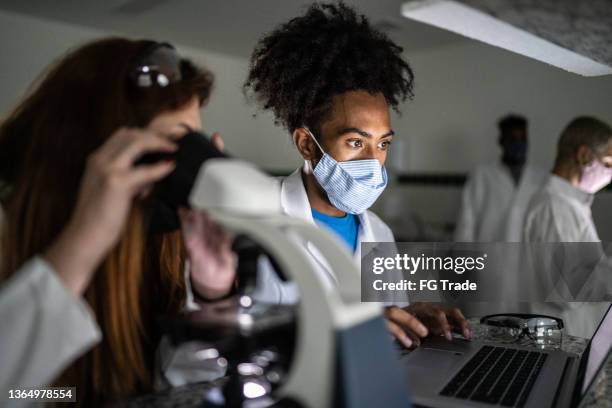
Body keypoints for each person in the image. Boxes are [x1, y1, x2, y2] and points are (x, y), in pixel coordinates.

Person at [0, 38, 236, 405]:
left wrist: (210, 296)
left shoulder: (164, 242)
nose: (361, 164)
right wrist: (82, 245)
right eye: (354, 142)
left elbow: (168, 392)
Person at [244, 2, 470, 348]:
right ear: (307, 144)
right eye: (355, 142)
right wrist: (348, 329)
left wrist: (412, 316)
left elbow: (389, 324)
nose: (373, 161)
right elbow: (228, 335)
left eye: (382, 144)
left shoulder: (378, 233)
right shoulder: (253, 219)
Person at [523, 116, 612, 337]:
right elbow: (568, 291)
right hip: (566, 342)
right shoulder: (555, 206)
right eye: (608, 163)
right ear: (583, 155)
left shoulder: (570, 205)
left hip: (578, 338)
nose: (610, 173)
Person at [455, 114, 548, 242]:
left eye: (523, 139)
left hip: (527, 258)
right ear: (501, 141)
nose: (518, 144)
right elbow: (467, 222)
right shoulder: (482, 175)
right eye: (513, 139)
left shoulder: (541, 177)